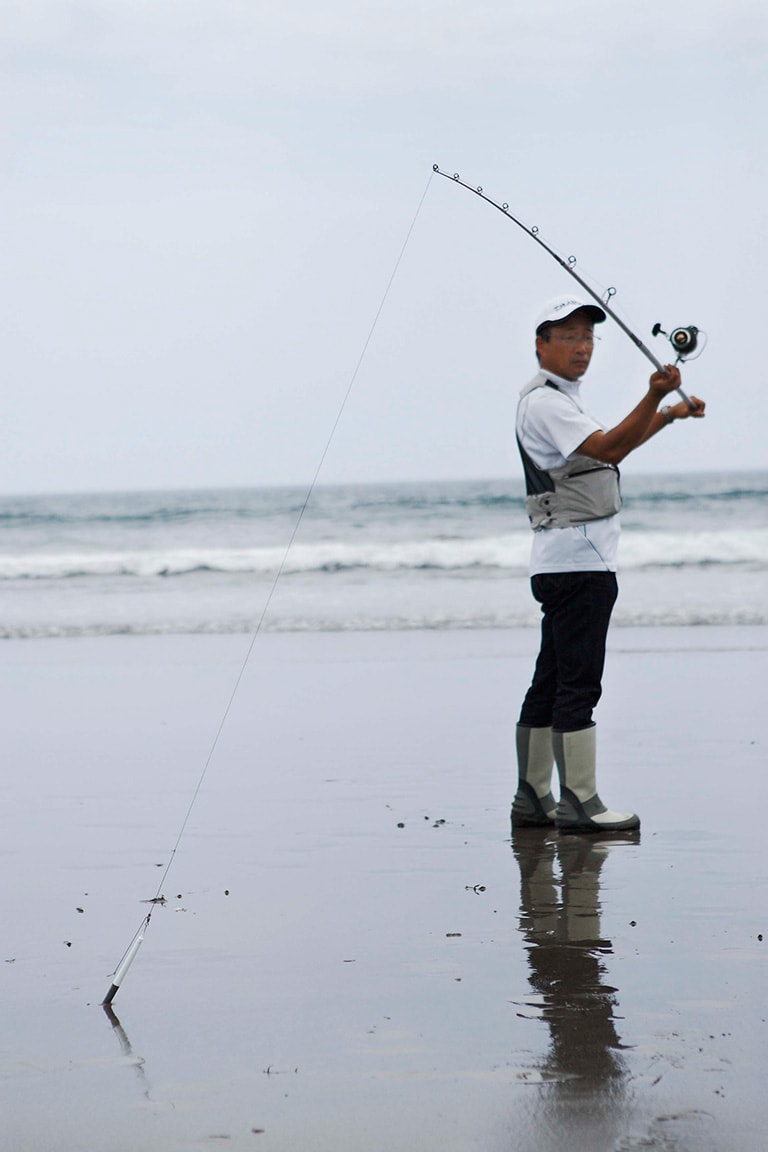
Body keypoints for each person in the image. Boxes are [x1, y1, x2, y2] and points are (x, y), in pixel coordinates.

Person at [511, 295, 706, 834]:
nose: (581, 346)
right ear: (540, 343)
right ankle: (581, 802)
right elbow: (607, 451)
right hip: (580, 564)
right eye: (568, 336)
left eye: (589, 336)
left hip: (563, 561)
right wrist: (653, 394)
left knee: (550, 679)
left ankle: (533, 799)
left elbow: (605, 449)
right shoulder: (547, 403)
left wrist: (666, 414)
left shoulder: (558, 402)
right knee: (579, 683)